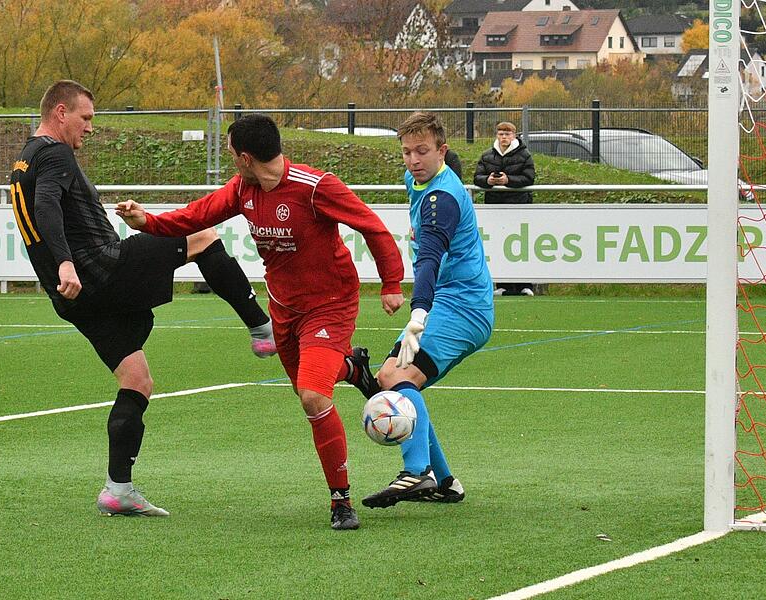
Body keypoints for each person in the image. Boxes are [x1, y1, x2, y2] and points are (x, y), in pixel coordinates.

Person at [115, 113, 405, 530]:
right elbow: (199, 215)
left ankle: (340, 501)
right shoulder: (243, 188)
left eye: (232, 152)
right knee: (311, 392)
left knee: (313, 396)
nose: (231, 159)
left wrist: (392, 283)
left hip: (330, 305)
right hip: (283, 310)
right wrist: (150, 222)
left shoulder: (316, 187)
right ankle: (351, 367)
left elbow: (373, 228)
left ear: (246, 157)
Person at [10, 80, 276, 518]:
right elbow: (47, 208)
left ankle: (119, 488)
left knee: (137, 380)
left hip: (75, 300)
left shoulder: (25, 157)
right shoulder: (56, 153)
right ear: (61, 112)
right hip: (101, 269)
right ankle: (261, 327)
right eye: (86, 118)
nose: (90, 128)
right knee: (202, 235)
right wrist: (65, 262)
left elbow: (50, 207)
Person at [361, 112, 494, 508]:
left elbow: (430, 258)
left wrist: (419, 313)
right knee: (389, 376)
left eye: (423, 151)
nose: (414, 159)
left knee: (401, 377)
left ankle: (418, 471)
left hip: (462, 306)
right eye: (407, 152)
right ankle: (444, 482)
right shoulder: (416, 180)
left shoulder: (441, 199)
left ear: (441, 151)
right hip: (450, 303)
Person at [474, 121, 536, 296]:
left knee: (522, 244)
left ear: (514, 136)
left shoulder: (525, 155)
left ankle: (525, 285)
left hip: (519, 205)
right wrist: (489, 181)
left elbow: (529, 177)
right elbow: (477, 177)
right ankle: (503, 284)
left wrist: (509, 181)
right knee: (500, 243)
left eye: (507, 134)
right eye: (501, 134)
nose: (504, 137)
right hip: (495, 206)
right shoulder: (487, 156)